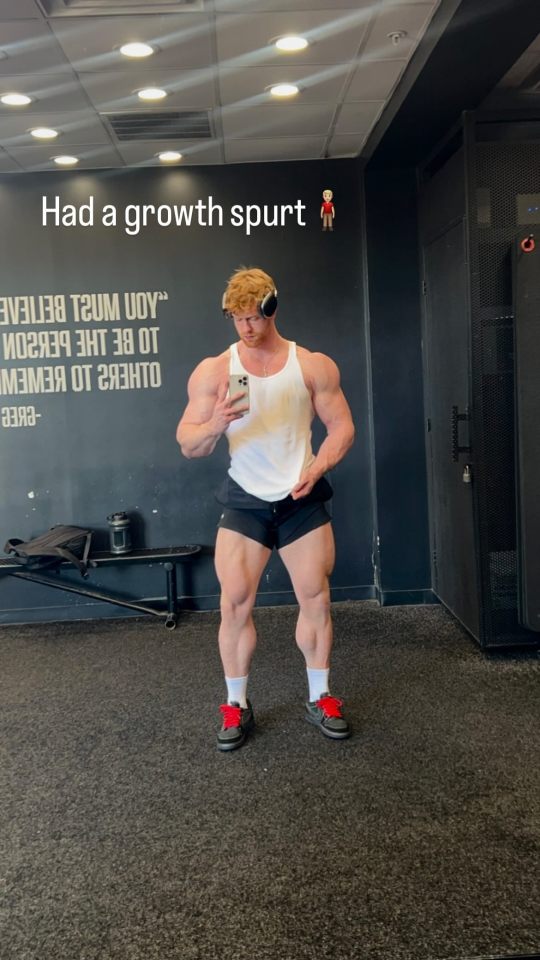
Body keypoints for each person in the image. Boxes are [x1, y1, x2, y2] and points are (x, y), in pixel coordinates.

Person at [176, 267, 355, 751]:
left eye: (252, 317)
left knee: (315, 598)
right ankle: (236, 703)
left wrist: (319, 466)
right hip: (246, 500)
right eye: (237, 319)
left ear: (271, 310)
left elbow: (342, 427)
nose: (246, 328)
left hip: (300, 497)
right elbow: (189, 443)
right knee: (233, 603)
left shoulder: (311, 365)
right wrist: (216, 422)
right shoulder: (215, 370)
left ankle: (320, 695)